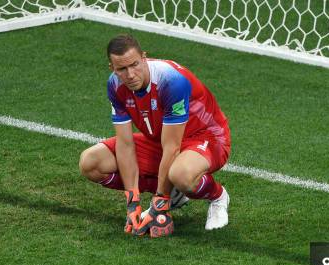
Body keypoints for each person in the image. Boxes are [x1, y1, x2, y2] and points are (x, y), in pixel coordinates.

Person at [79, 34, 231, 237]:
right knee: (90, 162)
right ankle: (175, 194)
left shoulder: (172, 81)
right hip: (160, 140)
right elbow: (125, 144)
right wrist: (132, 202)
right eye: (122, 69)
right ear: (112, 68)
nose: (130, 74)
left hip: (206, 138)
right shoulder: (115, 85)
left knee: (181, 174)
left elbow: (172, 147)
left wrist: (160, 201)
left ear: (144, 57)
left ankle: (218, 197)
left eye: (134, 65)